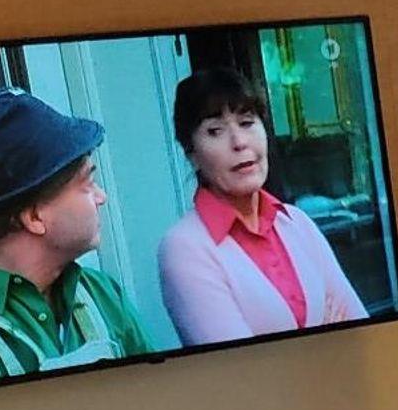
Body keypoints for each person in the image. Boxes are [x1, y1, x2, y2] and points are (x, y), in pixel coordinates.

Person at [0, 89, 162, 395]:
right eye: (87, 183)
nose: (101, 197)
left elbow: (161, 405)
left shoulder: (100, 292)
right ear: (35, 216)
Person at [157, 67, 366, 345]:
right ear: (191, 153)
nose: (239, 142)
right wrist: (325, 339)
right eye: (215, 131)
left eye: (246, 122)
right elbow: (240, 365)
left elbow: (362, 336)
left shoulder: (297, 222)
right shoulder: (184, 248)